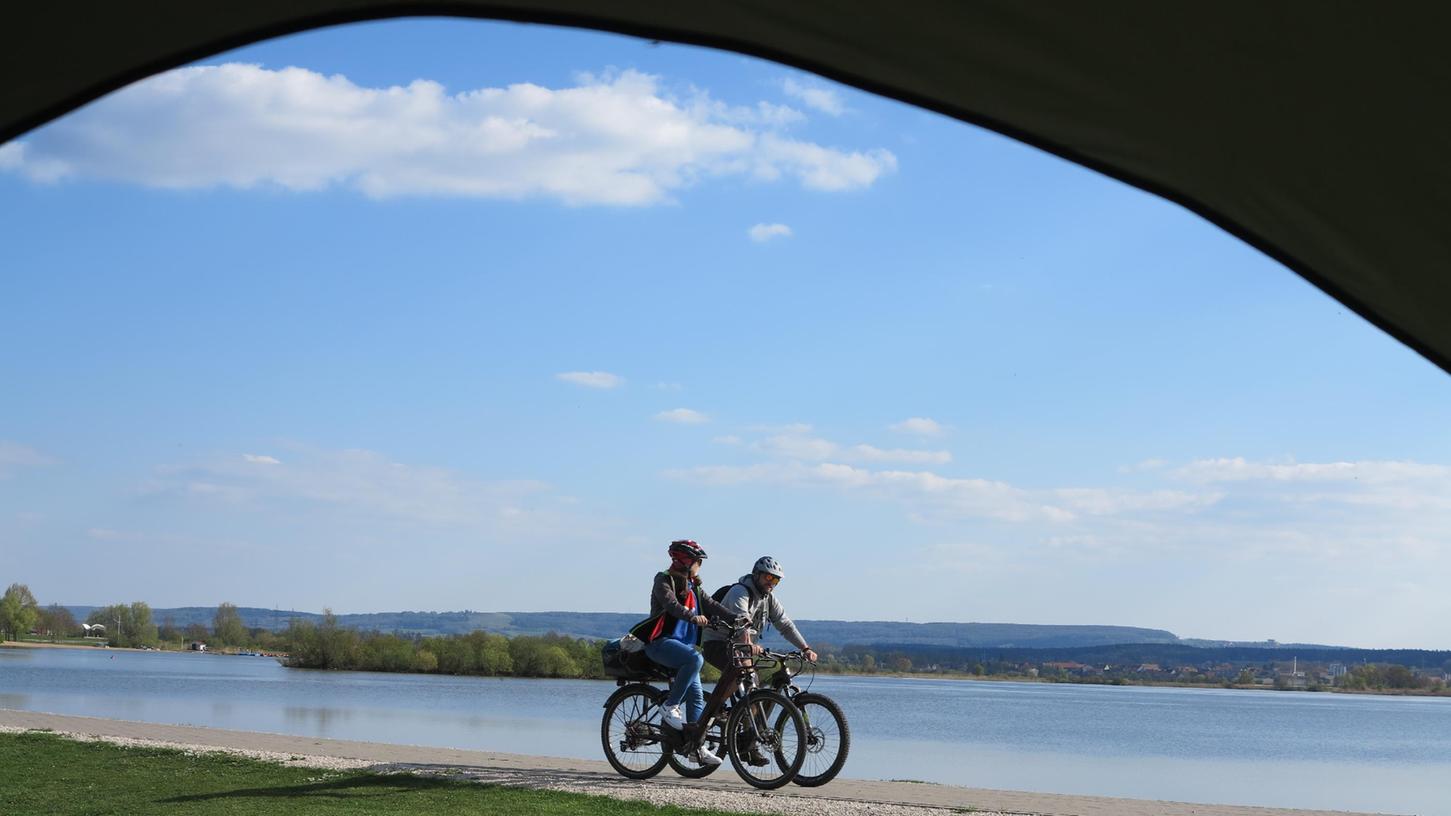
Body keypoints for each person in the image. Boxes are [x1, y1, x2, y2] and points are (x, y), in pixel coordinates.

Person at [700, 555, 818, 765]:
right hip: (716, 643)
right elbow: (741, 621)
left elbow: (785, 625)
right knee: (744, 675)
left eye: (775, 581)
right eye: (767, 578)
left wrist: (805, 648)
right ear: (756, 575)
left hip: (740, 647)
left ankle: (747, 743)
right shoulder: (739, 591)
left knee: (757, 690)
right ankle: (715, 708)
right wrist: (748, 644)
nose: (771, 584)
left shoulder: (768, 599)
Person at [632, 538, 734, 766]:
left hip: (682, 647)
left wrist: (737, 619)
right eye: (698, 561)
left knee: (697, 695)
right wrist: (692, 616)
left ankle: (694, 747)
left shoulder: (694, 586)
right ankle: (670, 705)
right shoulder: (663, 579)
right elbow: (670, 605)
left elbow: (712, 605)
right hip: (659, 643)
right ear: (686, 561)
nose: (700, 565)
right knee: (695, 658)